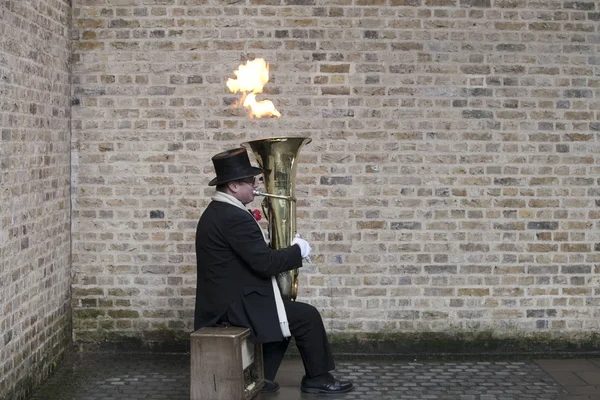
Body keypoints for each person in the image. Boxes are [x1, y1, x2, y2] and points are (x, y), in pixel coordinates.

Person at [194, 147, 353, 394]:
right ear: (234, 186)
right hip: (231, 308)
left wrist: (283, 248)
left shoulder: (220, 212)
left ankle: (263, 376)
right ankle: (318, 378)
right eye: (251, 182)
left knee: (283, 310)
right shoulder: (232, 216)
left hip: (228, 301)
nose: (256, 187)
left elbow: (249, 256)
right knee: (305, 316)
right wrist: (297, 251)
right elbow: (265, 264)